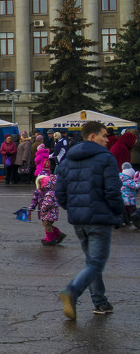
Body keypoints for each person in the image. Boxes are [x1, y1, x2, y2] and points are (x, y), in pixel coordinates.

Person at [55, 120, 124, 319]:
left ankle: (100, 303)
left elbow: (60, 192)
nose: (107, 139)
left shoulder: (68, 159)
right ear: (92, 136)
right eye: (104, 135)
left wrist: (73, 208)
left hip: (79, 220)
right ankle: (72, 291)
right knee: (96, 263)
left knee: (92, 262)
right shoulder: (106, 158)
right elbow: (112, 190)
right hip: (99, 219)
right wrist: (118, 213)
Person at [28, 174, 65, 246]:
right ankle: (59, 235)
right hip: (47, 212)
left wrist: (43, 208)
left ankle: (50, 239)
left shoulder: (50, 193)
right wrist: (31, 207)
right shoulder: (39, 191)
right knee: (48, 225)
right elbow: (34, 200)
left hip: (49, 212)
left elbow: (47, 203)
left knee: (47, 225)